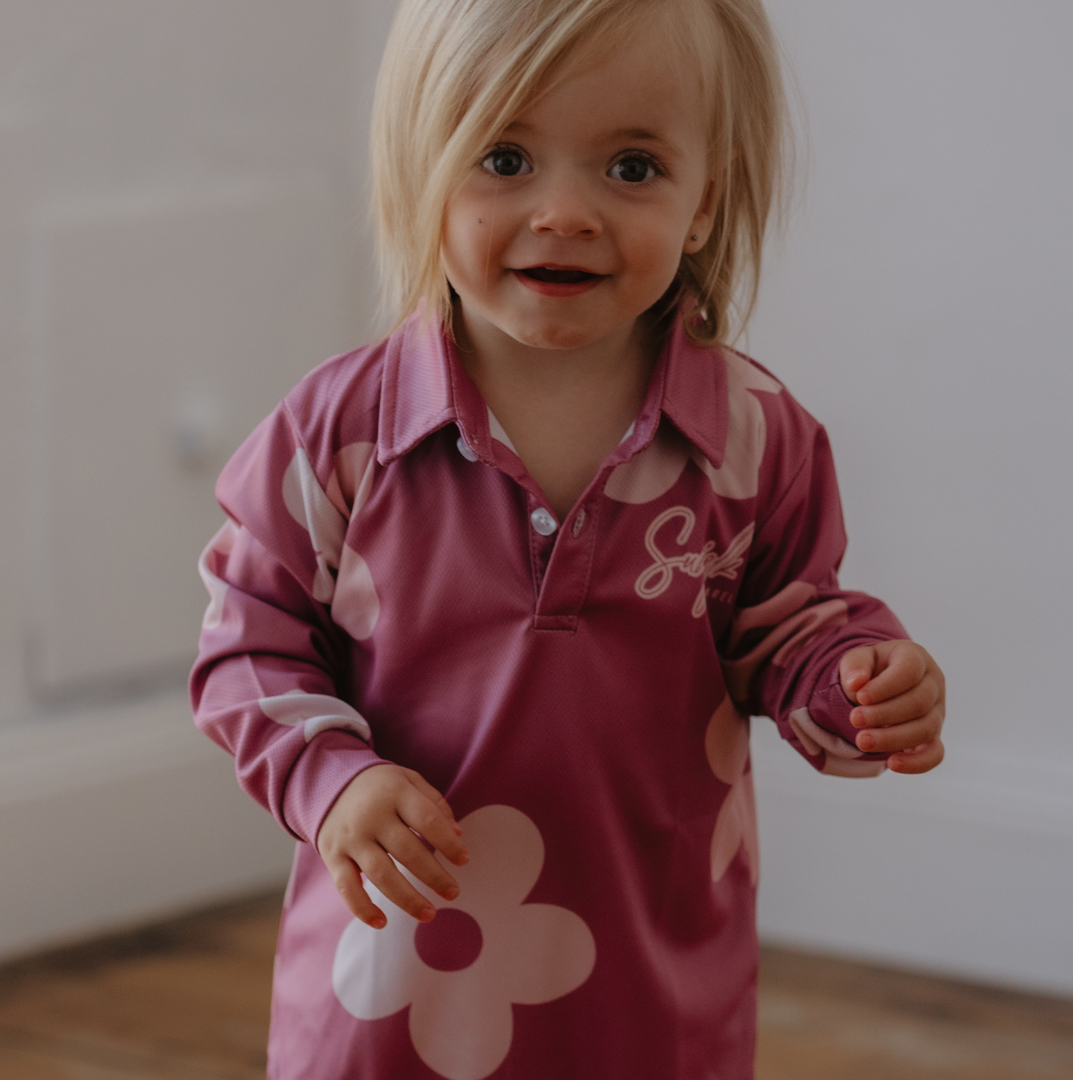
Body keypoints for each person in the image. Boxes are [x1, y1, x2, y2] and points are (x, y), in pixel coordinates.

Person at [190, 1, 946, 1076]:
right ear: (424, 171)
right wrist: (337, 782)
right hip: (385, 1004)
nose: (563, 212)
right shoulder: (339, 440)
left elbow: (792, 627)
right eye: (504, 157)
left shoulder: (757, 441)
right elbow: (245, 654)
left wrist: (857, 683)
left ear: (703, 202)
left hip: (650, 998)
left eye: (632, 167)